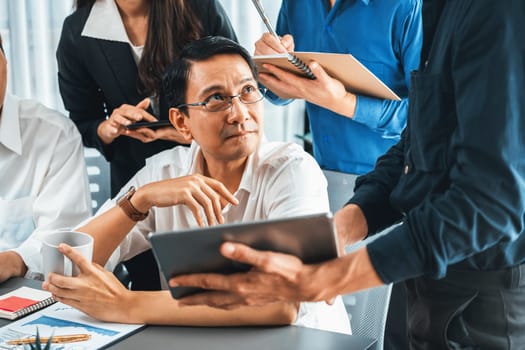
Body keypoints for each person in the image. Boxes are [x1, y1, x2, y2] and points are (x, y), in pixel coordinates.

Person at [168, 1, 525, 348]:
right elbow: (416, 144)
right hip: (423, 276)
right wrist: (335, 235)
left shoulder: (494, 12)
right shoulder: (436, 9)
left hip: (481, 296)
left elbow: (490, 202)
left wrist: (327, 278)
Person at [43, 36, 350, 333]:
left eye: (247, 91)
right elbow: (66, 264)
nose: (240, 114)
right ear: (180, 122)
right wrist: (139, 201)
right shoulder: (164, 171)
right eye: (216, 99)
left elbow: (284, 302)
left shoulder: (292, 170)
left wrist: (127, 304)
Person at [57, 0, 238, 197]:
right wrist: (108, 128)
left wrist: (188, 134)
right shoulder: (77, 31)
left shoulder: (201, 7)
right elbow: (83, 121)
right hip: (136, 182)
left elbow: (236, 89)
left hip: (212, 170)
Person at [254, 0, 422, 175]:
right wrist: (268, 63)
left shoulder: (407, 6)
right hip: (323, 176)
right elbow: (280, 91)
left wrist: (345, 103)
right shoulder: (295, 3)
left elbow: (427, 116)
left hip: (393, 182)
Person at [0, 34, 91, 283]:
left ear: (5, 59)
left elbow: (64, 241)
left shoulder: (54, 135)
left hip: (29, 297)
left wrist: (12, 260)